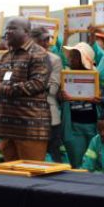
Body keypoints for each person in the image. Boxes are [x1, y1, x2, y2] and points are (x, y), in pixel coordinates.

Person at [0, 18, 51, 161]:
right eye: (6, 29)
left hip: (30, 129)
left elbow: (37, 84)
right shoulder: (5, 57)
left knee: (31, 178)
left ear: (26, 32)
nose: (7, 32)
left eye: (13, 28)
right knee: (12, 179)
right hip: (7, 129)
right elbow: (2, 89)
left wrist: (2, 88)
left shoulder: (38, 54)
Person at [59, 42, 104, 167]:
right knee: (76, 162)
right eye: (71, 56)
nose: (71, 59)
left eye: (75, 56)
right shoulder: (65, 76)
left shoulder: (98, 76)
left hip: (93, 126)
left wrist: (101, 100)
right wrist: (61, 97)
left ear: (84, 59)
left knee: (95, 163)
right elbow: (57, 99)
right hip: (73, 127)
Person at [31, 27, 64, 163]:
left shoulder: (54, 60)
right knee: (31, 159)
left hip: (49, 116)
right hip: (26, 117)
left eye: (48, 39)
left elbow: (52, 89)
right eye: (42, 40)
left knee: (53, 156)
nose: (46, 43)